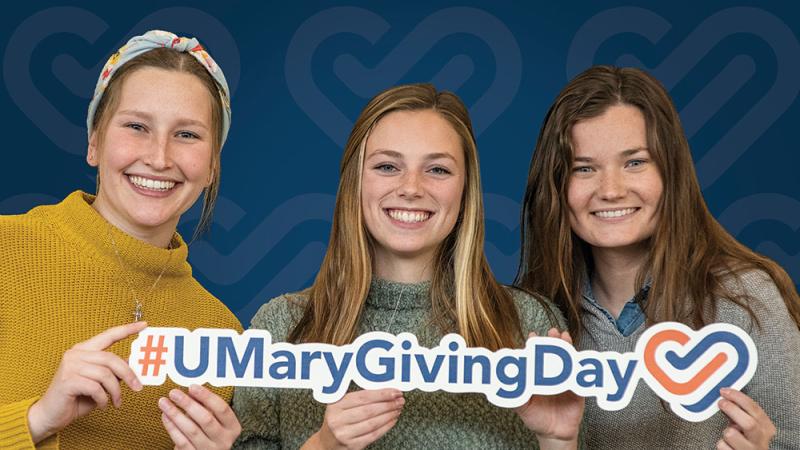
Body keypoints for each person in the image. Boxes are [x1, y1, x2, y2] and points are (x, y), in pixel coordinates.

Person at [232, 84, 583, 449]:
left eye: (437, 169)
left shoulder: (530, 327)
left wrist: (558, 440)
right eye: (387, 166)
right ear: (355, 182)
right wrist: (322, 446)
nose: (411, 187)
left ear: (465, 190)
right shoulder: (279, 329)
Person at [515, 65, 800, 449]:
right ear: (556, 186)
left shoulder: (744, 297)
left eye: (634, 162)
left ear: (671, 172)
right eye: (584, 168)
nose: (611, 190)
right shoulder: (532, 319)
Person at [0, 30, 243, 449]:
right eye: (136, 126)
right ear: (94, 141)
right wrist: (36, 420)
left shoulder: (221, 335)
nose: (159, 157)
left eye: (187, 135)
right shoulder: (7, 248)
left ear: (213, 164)